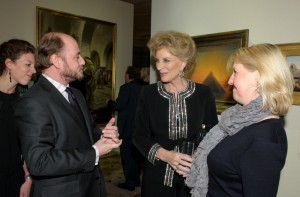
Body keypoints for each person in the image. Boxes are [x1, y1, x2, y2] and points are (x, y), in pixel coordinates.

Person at [13, 32, 122, 197]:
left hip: (90, 186)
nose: (83, 61)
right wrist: (94, 153)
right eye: (77, 56)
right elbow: (40, 162)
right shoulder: (32, 101)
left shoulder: (76, 94)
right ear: (56, 60)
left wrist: (103, 135)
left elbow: (86, 132)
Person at [186, 43, 294, 197]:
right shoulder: (238, 121)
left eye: (235, 72)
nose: (230, 81)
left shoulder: (264, 140)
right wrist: (198, 164)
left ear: (259, 77)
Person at [132, 30, 218, 197]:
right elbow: (138, 136)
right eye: (157, 60)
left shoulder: (203, 93)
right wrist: (166, 155)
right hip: (156, 176)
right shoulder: (148, 93)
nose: (158, 66)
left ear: (183, 62)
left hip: (192, 176)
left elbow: (213, 134)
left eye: (166, 60)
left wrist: (198, 157)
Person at [0, 39, 35, 197]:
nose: (33, 70)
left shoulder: (26, 99)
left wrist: (28, 179)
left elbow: (28, 144)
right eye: (28, 64)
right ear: (9, 63)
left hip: (16, 178)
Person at [107, 66, 143, 191]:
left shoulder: (125, 88)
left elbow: (119, 106)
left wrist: (109, 102)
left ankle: (129, 183)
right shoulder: (142, 89)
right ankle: (137, 180)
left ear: (128, 75)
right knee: (136, 156)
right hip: (138, 128)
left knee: (127, 157)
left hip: (127, 128)